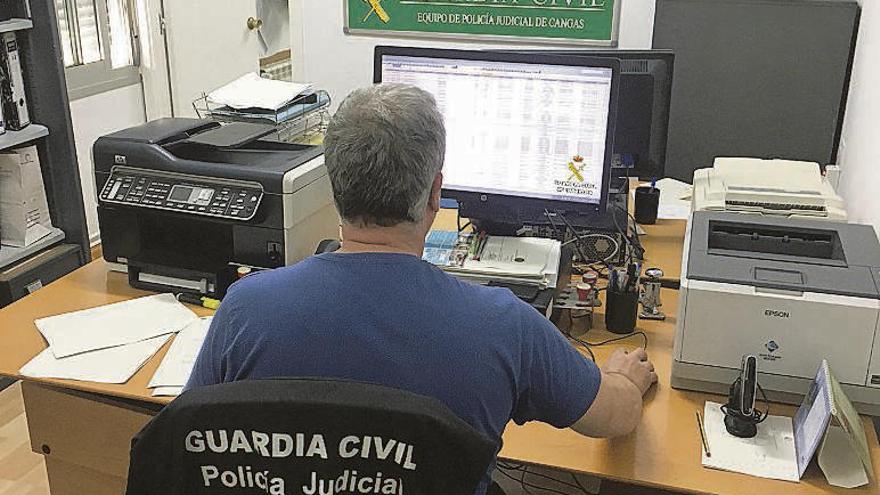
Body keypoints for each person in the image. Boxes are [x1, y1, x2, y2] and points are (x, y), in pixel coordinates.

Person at [186, 83, 658, 494]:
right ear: (436, 193)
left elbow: (187, 437)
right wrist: (624, 383)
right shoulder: (503, 324)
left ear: (335, 188)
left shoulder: (245, 308)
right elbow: (611, 419)